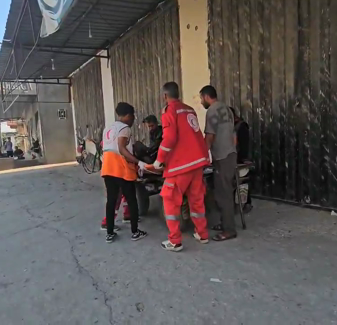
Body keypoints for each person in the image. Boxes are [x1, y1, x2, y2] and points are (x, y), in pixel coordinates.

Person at [153, 82, 210, 252]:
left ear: (165, 96)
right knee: (197, 199)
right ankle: (202, 234)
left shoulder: (170, 111)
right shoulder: (189, 109)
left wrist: (159, 160)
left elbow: (169, 139)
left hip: (180, 165)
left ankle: (175, 241)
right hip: (197, 162)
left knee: (170, 201)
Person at [100, 102, 148, 243]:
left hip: (108, 168)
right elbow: (122, 148)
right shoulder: (124, 128)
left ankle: (110, 232)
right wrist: (138, 162)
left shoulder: (108, 128)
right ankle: (135, 232)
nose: (133, 120)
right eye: (132, 116)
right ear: (128, 116)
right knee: (132, 200)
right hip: (121, 168)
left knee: (111, 200)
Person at [201, 85, 238, 241]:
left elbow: (210, 136)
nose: (202, 102)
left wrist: (202, 156)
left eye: (201, 98)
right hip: (230, 154)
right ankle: (225, 223)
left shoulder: (212, 111)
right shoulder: (227, 109)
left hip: (222, 157)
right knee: (223, 191)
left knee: (224, 194)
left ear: (206, 96)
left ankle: (229, 230)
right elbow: (234, 136)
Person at [229, 106, 253, 213]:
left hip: (241, 160)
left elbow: (244, 146)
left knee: (242, 183)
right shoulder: (231, 126)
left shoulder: (241, 126)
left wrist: (242, 159)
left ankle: (245, 204)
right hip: (234, 158)